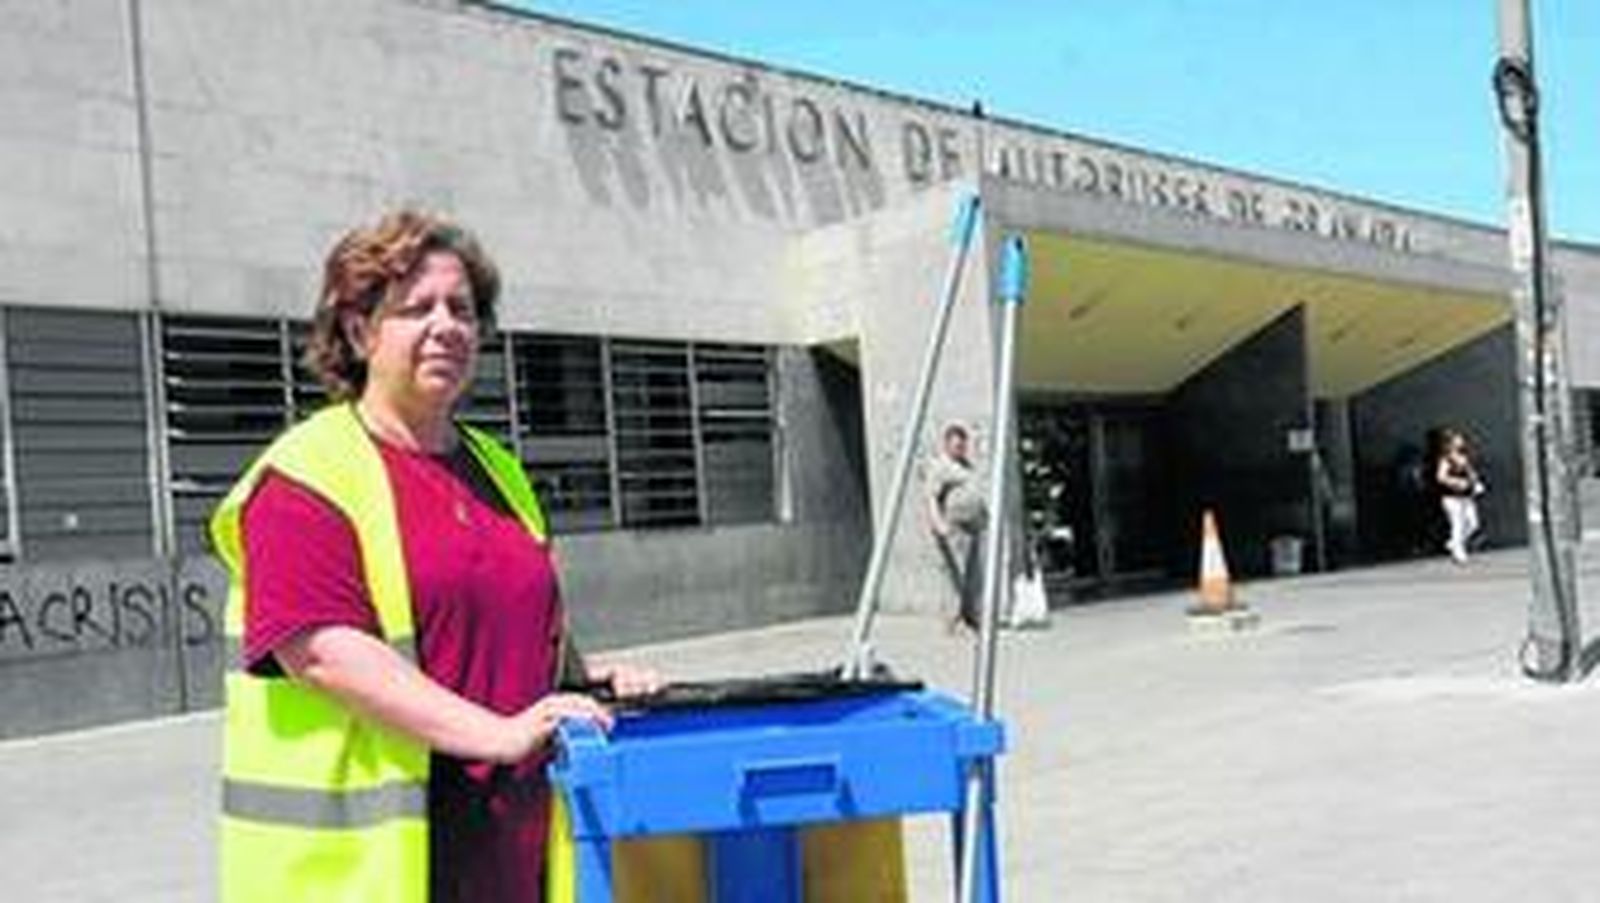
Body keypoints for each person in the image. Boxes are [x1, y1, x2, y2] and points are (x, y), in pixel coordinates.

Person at [210, 210, 660, 903]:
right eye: (416, 307)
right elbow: (324, 652)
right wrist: (500, 734)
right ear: (360, 332)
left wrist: (588, 675)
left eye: (462, 308)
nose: (446, 325)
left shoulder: (499, 469)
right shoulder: (306, 477)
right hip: (373, 875)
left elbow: (505, 622)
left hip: (517, 858)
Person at [927, 421, 988, 632]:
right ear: (946, 445)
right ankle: (953, 620)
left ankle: (971, 616)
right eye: (956, 445)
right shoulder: (941, 466)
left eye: (962, 445)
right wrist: (939, 524)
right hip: (954, 528)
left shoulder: (966, 466)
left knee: (972, 576)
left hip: (973, 528)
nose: (960, 448)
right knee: (955, 575)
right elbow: (931, 498)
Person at [1434, 428, 1484, 564]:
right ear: (1450, 443)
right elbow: (1440, 477)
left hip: (1466, 496)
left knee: (1473, 524)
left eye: (1461, 439)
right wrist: (1456, 482)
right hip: (1451, 497)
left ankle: (1454, 543)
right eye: (1458, 439)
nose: (1461, 441)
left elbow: (1471, 473)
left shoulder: (1464, 457)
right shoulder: (1446, 459)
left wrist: (1476, 483)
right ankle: (1459, 553)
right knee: (1458, 523)